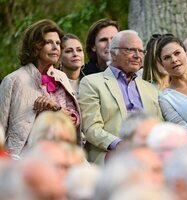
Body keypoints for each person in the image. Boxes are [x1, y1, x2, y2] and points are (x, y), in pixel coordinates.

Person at [78, 30, 163, 165]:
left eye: (141, 51)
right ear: (113, 53)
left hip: (150, 152)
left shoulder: (150, 89)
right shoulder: (91, 83)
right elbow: (91, 128)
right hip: (112, 154)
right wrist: (120, 145)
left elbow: (160, 126)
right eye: (131, 50)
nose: (137, 56)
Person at [0, 19, 82, 156]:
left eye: (57, 43)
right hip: (22, 157)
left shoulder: (61, 77)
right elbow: (1, 127)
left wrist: (54, 106)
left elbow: (74, 121)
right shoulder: (12, 80)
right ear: (35, 46)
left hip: (60, 153)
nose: (56, 47)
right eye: (49, 42)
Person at [156, 34, 187, 137]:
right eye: (167, 57)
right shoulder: (166, 99)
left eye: (177, 53)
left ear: (186, 54)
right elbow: (184, 131)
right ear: (162, 64)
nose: (174, 59)